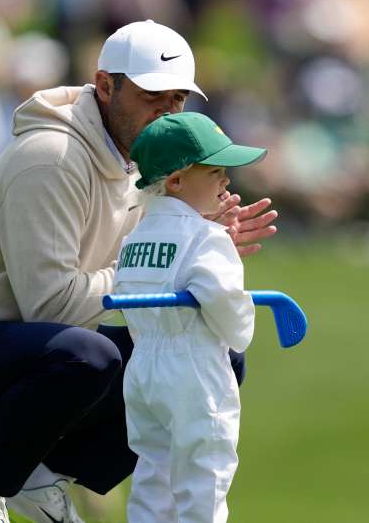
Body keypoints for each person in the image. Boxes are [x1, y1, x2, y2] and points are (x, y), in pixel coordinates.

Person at [0, 20, 278, 523]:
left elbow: (125, 278)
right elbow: (52, 305)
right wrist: (164, 267)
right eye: (151, 95)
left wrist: (195, 238)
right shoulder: (50, 157)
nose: (167, 111)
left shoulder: (143, 167)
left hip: (25, 357)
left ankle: (38, 474)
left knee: (211, 354)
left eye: (178, 99)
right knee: (88, 355)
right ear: (106, 86)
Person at [116, 112, 267, 523]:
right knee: (205, 478)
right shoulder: (207, 238)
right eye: (216, 171)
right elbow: (226, 305)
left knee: (153, 476)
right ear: (178, 181)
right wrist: (243, 329)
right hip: (193, 369)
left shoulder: (134, 239)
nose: (226, 181)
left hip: (143, 368)